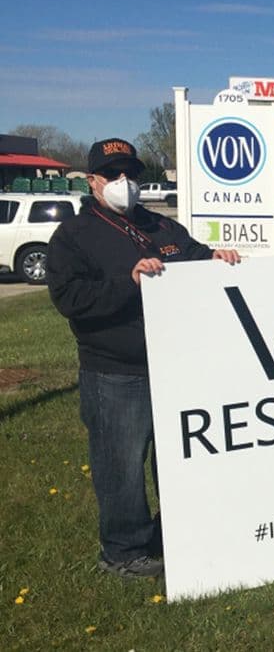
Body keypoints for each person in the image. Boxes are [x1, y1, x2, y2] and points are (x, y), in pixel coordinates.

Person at [47, 138, 240, 579]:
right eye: (112, 174)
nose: (124, 183)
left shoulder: (160, 226)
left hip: (176, 366)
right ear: (93, 181)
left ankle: (171, 532)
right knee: (121, 465)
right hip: (115, 371)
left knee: (176, 459)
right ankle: (122, 552)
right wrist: (128, 282)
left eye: (130, 174)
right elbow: (70, 298)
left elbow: (191, 257)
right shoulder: (74, 236)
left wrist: (215, 258)